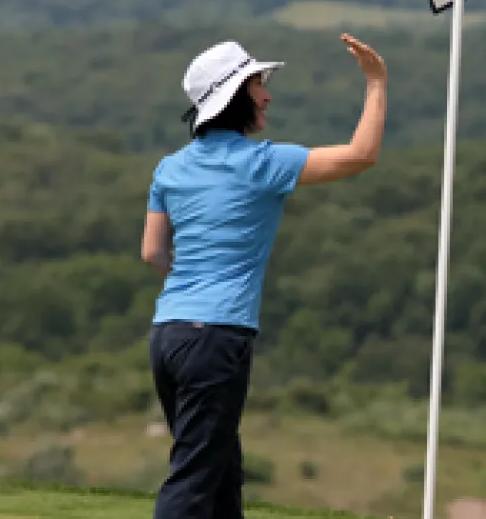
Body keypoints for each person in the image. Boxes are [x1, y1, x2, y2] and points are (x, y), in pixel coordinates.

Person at [140, 33, 388, 519]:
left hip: (168, 334)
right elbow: (361, 154)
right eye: (257, 84)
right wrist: (376, 81)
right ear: (235, 97)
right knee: (193, 479)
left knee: (220, 471)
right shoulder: (263, 163)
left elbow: (152, 252)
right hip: (216, 337)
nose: (267, 94)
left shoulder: (169, 168)